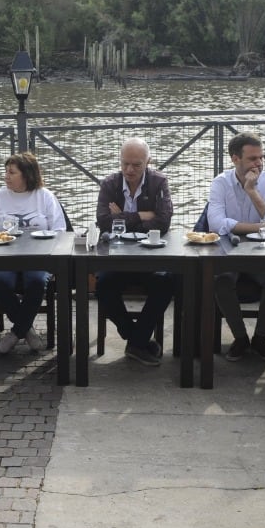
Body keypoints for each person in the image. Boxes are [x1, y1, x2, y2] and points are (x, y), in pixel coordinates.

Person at [205, 133, 265, 363]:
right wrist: (260, 226)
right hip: (229, 250)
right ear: (235, 159)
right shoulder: (220, 182)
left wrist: (252, 191)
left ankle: (260, 338)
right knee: (221, 281)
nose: (258, 163)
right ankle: (240, 338)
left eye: (261, 158)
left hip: (263, 251)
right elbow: (216, 224)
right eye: (252, 159)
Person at [0, 152, 68, 355]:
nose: (6, 176)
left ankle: (15, 332)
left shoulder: (45, 197)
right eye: (6, 172)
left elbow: (60, 231)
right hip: (3, 256)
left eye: (11, 172)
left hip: (38, 257)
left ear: (26, 175)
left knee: (36, 281)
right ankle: (26, 329)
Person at [94, 137, 174, 367]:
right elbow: (103, 222)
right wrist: (142, 215)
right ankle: (137, 340)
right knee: (103, 285)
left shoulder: (159, 182)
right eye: (125, 163)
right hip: (117, 257)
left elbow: (163, 222)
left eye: (136, 165)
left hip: (150, 255)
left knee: (166, 281)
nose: (129, 170)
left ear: (148, 162)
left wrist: (122, 218)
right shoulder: (109, 184)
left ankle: (136, 341)